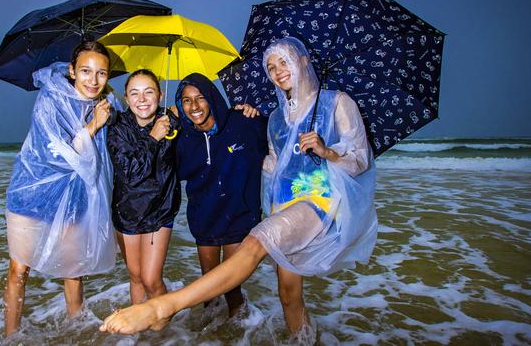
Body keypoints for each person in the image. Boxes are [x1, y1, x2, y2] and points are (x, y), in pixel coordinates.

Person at [99, 36, 378, 335]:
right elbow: (270, 167)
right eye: (271, 66)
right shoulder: (276, 119)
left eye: (284, 62)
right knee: (289, 296)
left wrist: (327, 152)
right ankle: (304, 339)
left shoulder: (336, 102)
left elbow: (361, 160)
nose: (278, 70)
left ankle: (163, 306)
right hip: (280, 206)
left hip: (318, 203)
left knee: (254, 244)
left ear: (304, 61)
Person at [3, 41, 117, 336]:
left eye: (101, 73)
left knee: (74, 269)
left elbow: (134, 132)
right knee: (19, 271)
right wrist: (93, 126)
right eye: (85, 71)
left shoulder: (106, 105)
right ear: (71, 71)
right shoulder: (50, 99)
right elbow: (54, 153)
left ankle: (76, 332)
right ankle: (10, 337)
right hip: (32, 194)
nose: (93, 81)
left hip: (74, 198)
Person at [172, 73, 267, 317]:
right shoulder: (180, 137)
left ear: (212, 98)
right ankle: (210, 336)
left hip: (239, 214)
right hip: (204, 217)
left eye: (200, 98)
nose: (194, 106)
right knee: (208, 288)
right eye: (186, 100)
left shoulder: (243, 123)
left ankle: (241, 333)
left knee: (231, 287)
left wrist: (256, 111)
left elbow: (279, 143)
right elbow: (167, 172)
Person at [107, 69, 181, 305]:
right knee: (136, 277)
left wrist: (242, 111)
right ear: (126, 99)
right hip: (127, 211)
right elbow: (131, 172)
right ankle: (140, 335)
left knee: (151, 279)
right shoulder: (118, 127)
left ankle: (163, 328)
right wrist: (153, 137)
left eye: (148, 92)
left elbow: (207, 122)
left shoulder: (173, 123)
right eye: (134, 93)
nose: (142, 100)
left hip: (160, 212)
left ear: (159, 95)